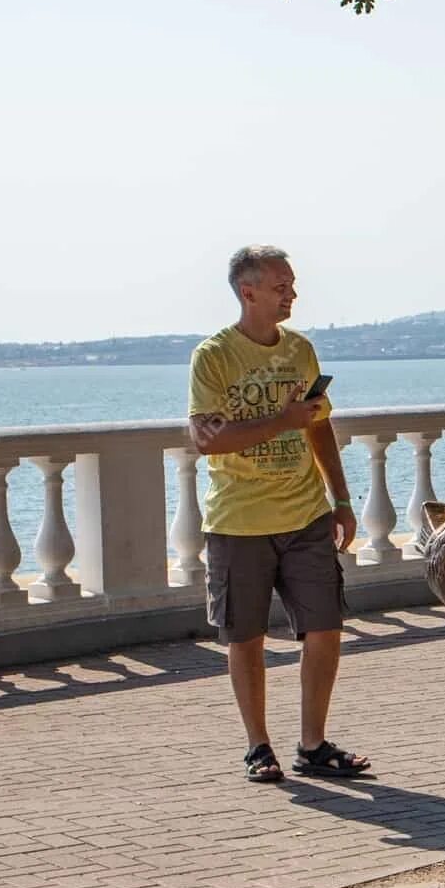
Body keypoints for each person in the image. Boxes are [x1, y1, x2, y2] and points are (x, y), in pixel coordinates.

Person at [187, 245, 371, 783]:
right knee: (244, 638)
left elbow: (317, 426)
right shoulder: (214, 355)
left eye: (292, 284)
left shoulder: (301, 351)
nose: (292, 294)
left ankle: (312, 744)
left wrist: (340, 499)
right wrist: (284, 419)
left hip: (307, 515)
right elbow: (207, 440)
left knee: (325, 627)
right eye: (281, 286)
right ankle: (258, 747)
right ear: (248, 292)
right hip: (239, 521)